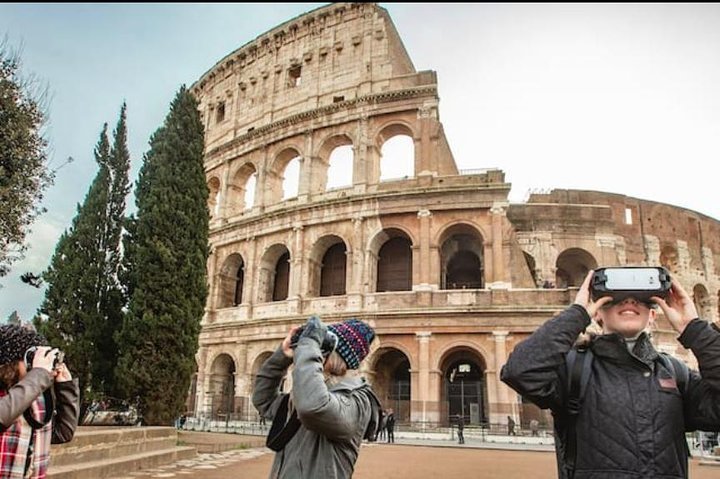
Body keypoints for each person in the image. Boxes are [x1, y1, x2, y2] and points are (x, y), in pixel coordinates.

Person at [501, 269, 720, 479]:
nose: (629, 301)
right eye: (615, 298)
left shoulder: (676, 373)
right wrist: (576, 315)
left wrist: (695, 330)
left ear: (652, 315)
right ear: (597, 313)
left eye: (641, 298)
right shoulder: (574, 368)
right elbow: (519, 372)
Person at [252, 317, 381, 479]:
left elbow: (313, 408)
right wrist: (281, 358)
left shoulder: (357, 400)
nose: (317, 351)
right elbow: (263, 401)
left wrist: (309, 345)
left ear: (337, 355)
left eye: (321, 347)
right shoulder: (312, 391)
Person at [0, 324, 80, 479]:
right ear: (11, 362)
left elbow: (63, 433)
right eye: (30, 358)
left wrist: (66, 388)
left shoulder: (36, 398)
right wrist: (38, 376)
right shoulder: (10, 395)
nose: (36, 364)